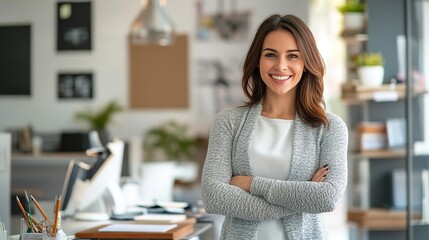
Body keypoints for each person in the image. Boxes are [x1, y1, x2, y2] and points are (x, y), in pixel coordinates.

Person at [201, 14, 348, 240]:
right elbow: (214, 198)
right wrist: (304, 194)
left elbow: (327, 198)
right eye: (270, 55)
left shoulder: (329, 128)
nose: (281, 65)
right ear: (257, 60)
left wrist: (252, 184)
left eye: (293, 56)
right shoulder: (228, 122)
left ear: (306, 63)